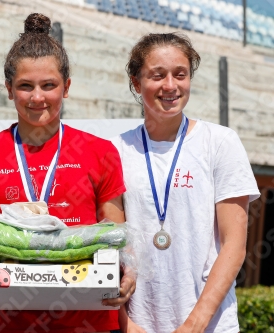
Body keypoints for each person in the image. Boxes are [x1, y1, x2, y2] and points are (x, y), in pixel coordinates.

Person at [0, 13, 135, 333]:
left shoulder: (100, 152)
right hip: (6, 324)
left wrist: (127, 270)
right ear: (8, 89)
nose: (37, 97)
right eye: (24, 86)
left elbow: (114, 234)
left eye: (49, 85)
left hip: (89, 322)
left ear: (67, 87)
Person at [111, 33, 260, 333]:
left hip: (210, 325)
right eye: (158, 75)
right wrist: (126, 324)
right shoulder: (115, 151)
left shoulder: (220, 142)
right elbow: (112, 246)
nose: (170, 86)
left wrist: (194, 324)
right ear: (137, 83)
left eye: (180, 74)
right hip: (138, 325)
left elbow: (235, 245)